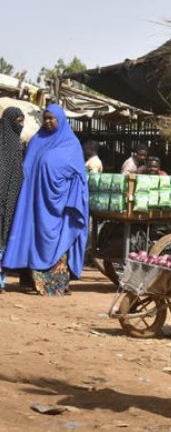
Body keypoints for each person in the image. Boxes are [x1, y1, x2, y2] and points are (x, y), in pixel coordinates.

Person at [2, 104, 88, 296]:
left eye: (52, 118)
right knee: (32, 238)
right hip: (34, 203)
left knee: (57, 242)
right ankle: (30, 281)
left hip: (59, 207)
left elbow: (79, 177)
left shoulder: (71, 144)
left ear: (60, 120)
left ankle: (56, 284)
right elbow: (26, 170)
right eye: (46, 118)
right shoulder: (36, 141)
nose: (48, 122)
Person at [0, 107, 25, 292]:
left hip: (11, 202)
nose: (21, 125)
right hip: (4, 200)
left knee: (4, 241)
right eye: (17, 121)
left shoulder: (17, 145)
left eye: (22, 121)